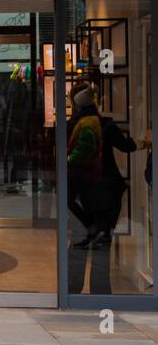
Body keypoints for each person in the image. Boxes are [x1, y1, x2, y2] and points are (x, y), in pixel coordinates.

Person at [66, 81, 112, 294]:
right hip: (92, 179)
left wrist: (67, 161)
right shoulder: (96, 122)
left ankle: (73, 290)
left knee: (74, 207)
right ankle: (96, 291)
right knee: (84, 206)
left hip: (83, 177)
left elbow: (83, 151)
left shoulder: (82, 124)